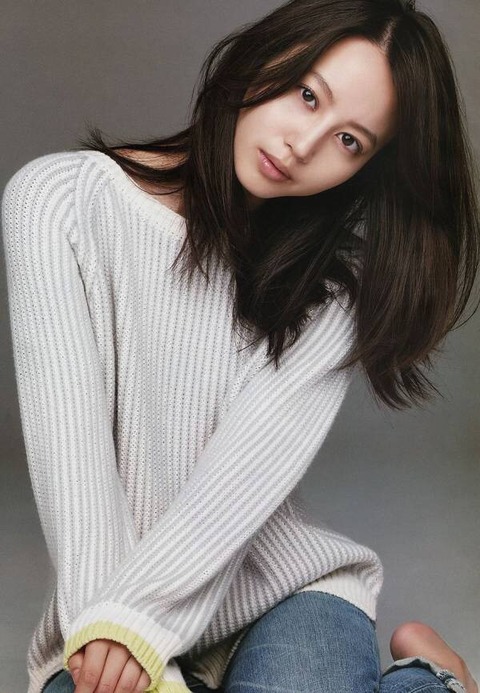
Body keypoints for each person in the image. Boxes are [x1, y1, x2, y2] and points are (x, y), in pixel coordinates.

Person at [1, 0, 478, 692]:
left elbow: (236, 484)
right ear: (266, 56)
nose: (303, 144)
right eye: (307, 95)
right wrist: (116, 627)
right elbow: (71, 458)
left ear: (368, 170)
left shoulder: (328, 292)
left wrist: (137, 625)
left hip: (283, 593)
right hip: (108, 596)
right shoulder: (56, 202)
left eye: (349, 141)